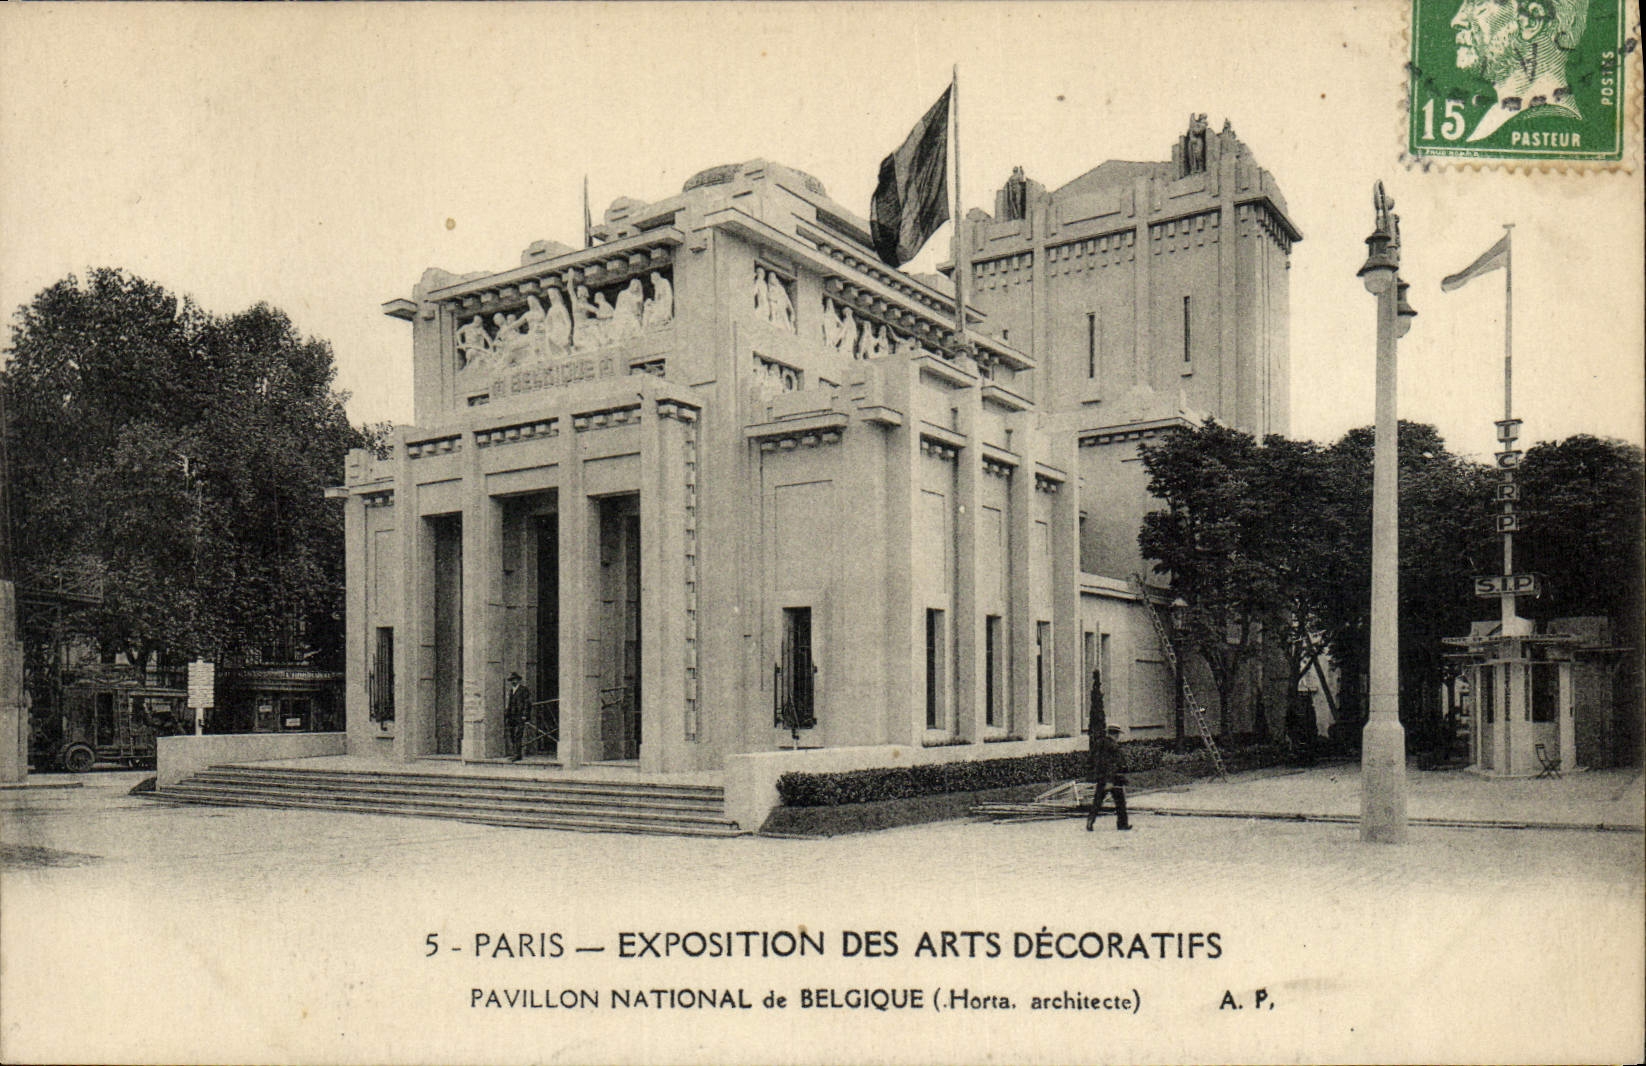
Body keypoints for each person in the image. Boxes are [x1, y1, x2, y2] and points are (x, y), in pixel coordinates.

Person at [1450, 0, 1587, 142]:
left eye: (1478, 3)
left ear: (1532, 20)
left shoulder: (1546, 120)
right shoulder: (1497, 119)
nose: (1456, 21)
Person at [1086, 722, 1131, 832]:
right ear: (1115, 734)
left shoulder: (1099, 744)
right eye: (1118, 734)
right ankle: (1122, 824)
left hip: (1101, 777)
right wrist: (1110, 780)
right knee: (1120, 803)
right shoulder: (1113, 746)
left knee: (1097, 801)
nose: (1118, 737)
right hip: (1113, 779)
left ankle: (1090, 821)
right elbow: (1111, 764)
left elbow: (1091, 760)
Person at [505, 672, 532, 762]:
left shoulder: (523, 690)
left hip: (520, 716)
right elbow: (509, 704)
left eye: (515, 679)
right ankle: (515, 753)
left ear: (518, 680)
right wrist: (507, 715)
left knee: (518, 735)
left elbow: (527, 703)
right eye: (512, 680)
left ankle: (517, 754)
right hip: (512, 716)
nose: (513, 681)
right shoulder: (511, 691)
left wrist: (525, 715)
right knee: (512, 735)